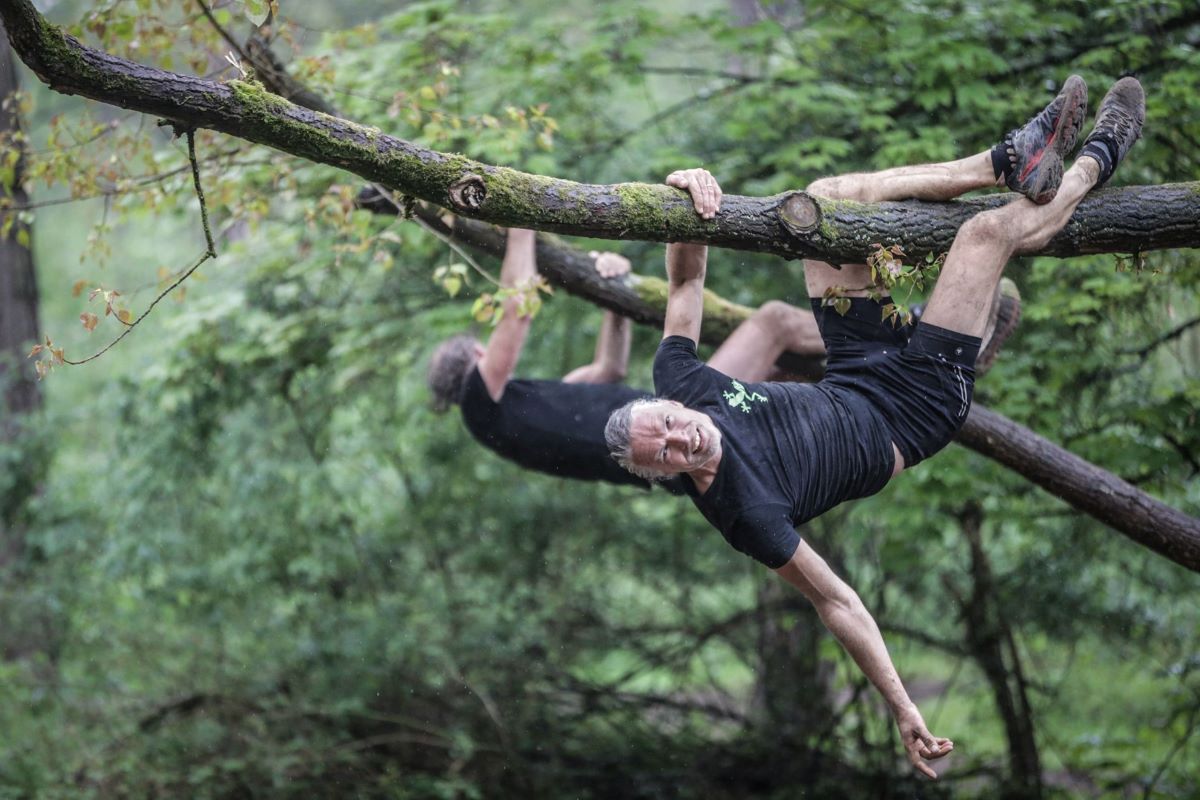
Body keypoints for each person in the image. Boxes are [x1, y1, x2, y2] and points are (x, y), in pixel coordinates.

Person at [604, 76, 1144, 777]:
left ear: (666, 406)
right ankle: (1099, 155)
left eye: (670, 424)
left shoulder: (680, 385)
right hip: (911, 410)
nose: (684, 436)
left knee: (826, 200)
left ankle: (1005, 162)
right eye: (669, 454)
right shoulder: (744, 514)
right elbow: (838, 603)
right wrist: (903, 708)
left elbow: (683, 288)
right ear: (667, 474)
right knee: (987, 235)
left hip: (855, 366)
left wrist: (685, 194)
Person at [427, 228, 826, 492]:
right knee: (775, 323)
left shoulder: (525, 412)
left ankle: (868, 370)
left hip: (682, 445)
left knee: (787, 376)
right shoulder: (480, 403)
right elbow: (518, 311)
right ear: (477, 359)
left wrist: (613, 297)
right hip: (686, 427)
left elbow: (609, 369)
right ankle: (874, 338)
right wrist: (519, 229)